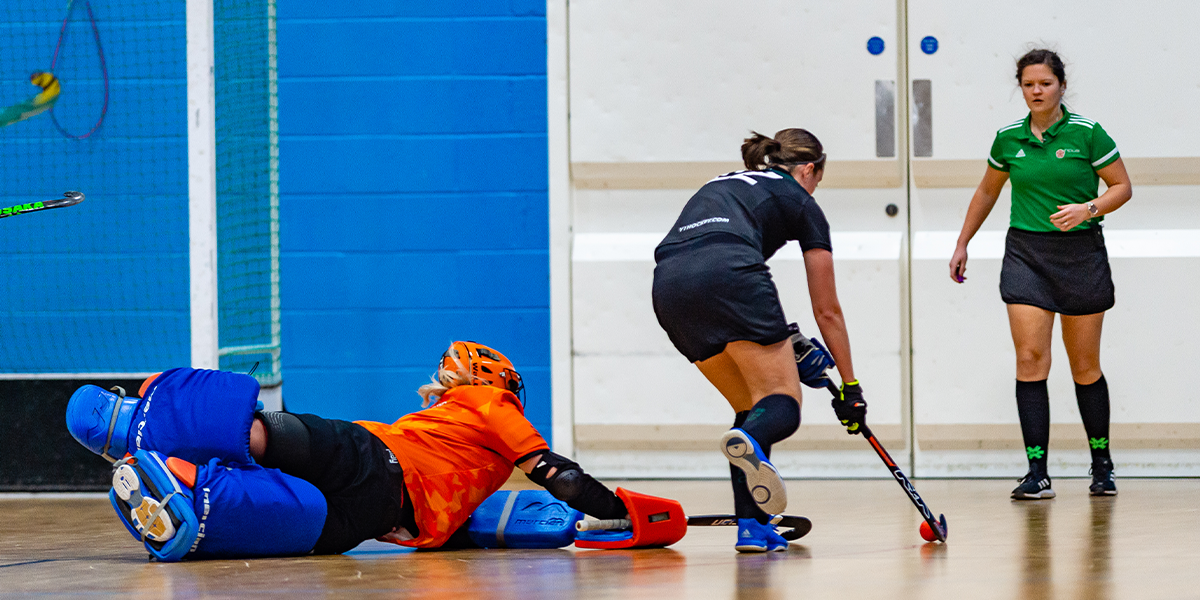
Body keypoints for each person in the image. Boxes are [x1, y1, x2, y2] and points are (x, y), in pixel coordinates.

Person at [65, 341, 642, 560]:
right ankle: (185, 495)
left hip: (374, 455)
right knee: (296, 518)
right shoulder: (468, 454)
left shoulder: (494, 409)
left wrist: (612, 505)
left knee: (265, 432)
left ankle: (137, 423)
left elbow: (551, 472)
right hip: (381, 517)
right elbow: (461, 522)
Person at [651, 128, 867, 552]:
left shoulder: (724, 181)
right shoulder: (802, 200)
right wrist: (851, 386)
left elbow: (705, 257)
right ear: (809, 169)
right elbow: (827, 310)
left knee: (752, 408)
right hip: (729, 273)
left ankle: (752, 527)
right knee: (782, 403)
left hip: (668, 285)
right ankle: (751, 469)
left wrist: (785, 338)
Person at [948, 48, 1132, 499]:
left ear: (1061, 86)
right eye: (1029, 84)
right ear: (1021, 87)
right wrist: (962, 242)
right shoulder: (1008, 138)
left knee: (1084, 365)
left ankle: (1101, 465)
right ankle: (1037, 472)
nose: (1037, 91)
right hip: (1027, 253)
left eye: (1045, 84)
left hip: (1080, 254)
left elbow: (1122, 187)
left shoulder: (1087, 133)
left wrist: (1087, 208)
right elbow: (987, 191)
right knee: (1031, 359)